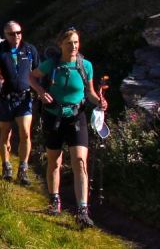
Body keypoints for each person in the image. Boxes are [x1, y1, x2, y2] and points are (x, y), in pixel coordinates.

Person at [29, 27, 108, 228]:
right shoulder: (52, 64)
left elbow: (89, 92)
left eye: (76, 42)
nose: (73, 46)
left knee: (80, 162)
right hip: (53, 116)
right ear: (60, 45)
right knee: (54, 161)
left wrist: (99, 101)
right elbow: (31, 76)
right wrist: (40, 91)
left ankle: (82, 210)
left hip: (76, 117)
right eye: (69, 43)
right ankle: (55, 200)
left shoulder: (85, 66)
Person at [0, 21, 39, 184]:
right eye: (12, 33)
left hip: (24, 97)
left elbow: (38, 70)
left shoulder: (30, 49)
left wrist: (40, 90)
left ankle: (23, 169)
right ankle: (6, 165)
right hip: (5, 97)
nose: (16, 36)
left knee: (25, 133)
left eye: (18, 32)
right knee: (5, 133)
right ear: (5, 35)